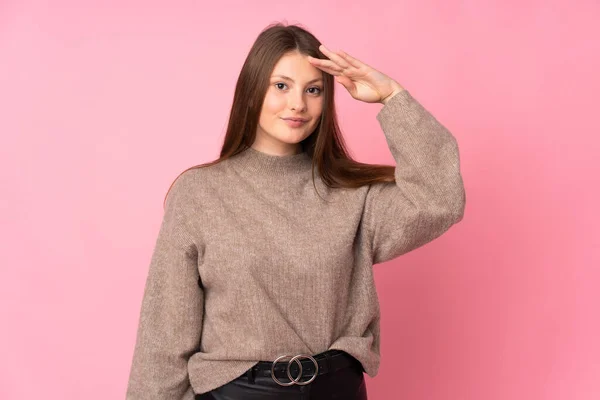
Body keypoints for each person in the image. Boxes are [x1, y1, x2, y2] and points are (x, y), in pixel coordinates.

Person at [125, 22, 466, 400]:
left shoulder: (352, 196)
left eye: (314, 90)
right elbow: (164, 333)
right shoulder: (200, 193)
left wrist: (393, 96)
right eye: (281, 86)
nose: (298, 104)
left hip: (335, 390)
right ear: (253, 90)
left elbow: (441, 199)